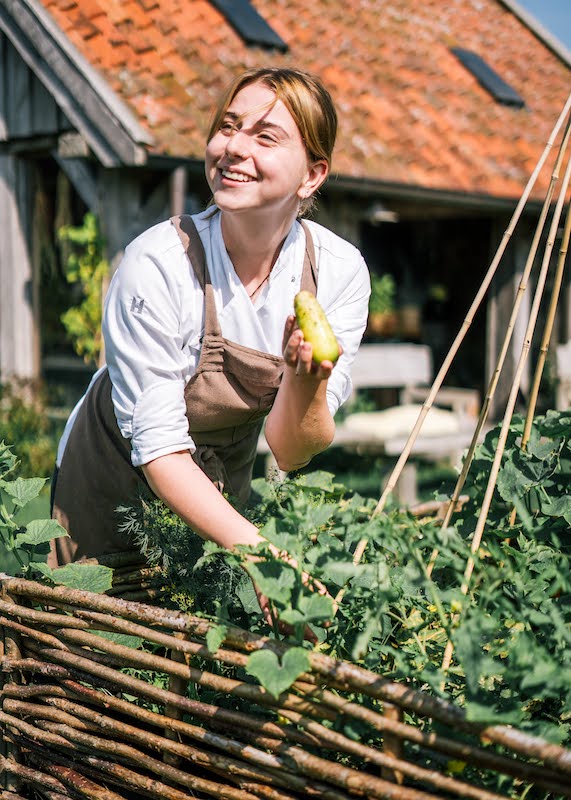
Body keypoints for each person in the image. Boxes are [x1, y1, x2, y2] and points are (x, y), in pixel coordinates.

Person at [49, 67, 371, 589]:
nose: (233, 147)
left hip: (220, 501)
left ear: (313, 175)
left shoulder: (336, 271)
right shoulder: (160, 264)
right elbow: (159, 451)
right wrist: (262, 553)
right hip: (108, 488)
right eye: (228, 126)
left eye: (265, 136)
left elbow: (291, 450)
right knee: (89, 655)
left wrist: (305, 379)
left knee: (196, 655)